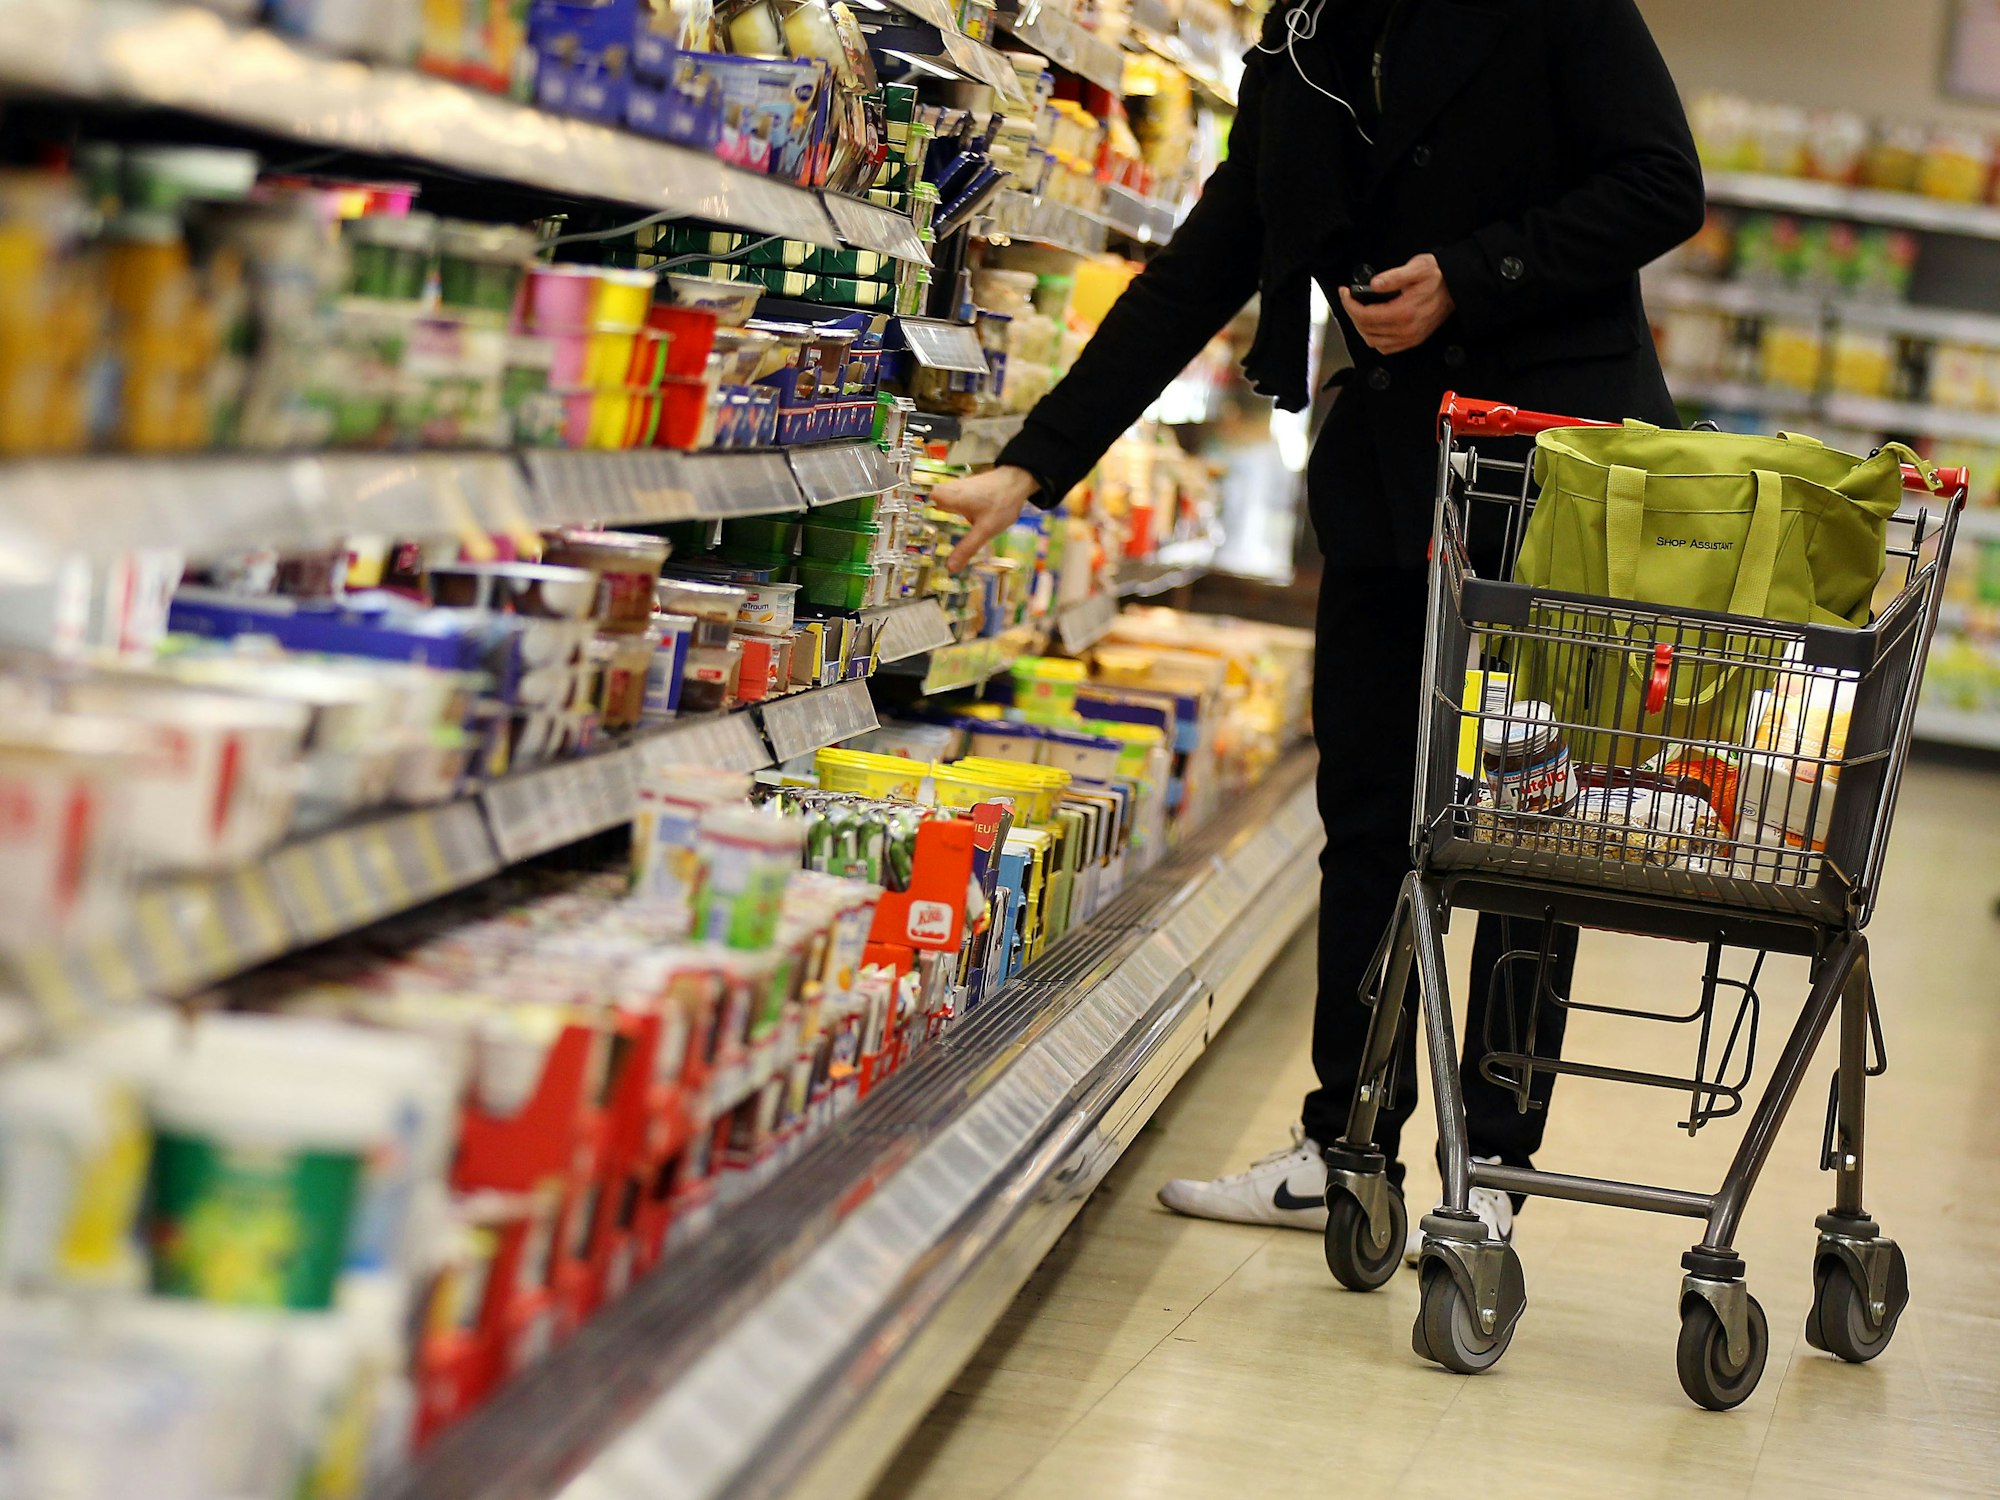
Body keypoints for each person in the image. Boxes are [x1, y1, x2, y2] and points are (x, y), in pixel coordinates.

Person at [930, 0, 1706, 1249]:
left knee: (1522, 833)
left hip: (1549, 478)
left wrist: (1470, 275)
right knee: (1366, 816)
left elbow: (1661, 184)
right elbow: (1202, 265)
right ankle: (1346, 1144)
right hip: (1388, 483)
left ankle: (1494, 1168)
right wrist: (1030, 467)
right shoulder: (1303, 43)